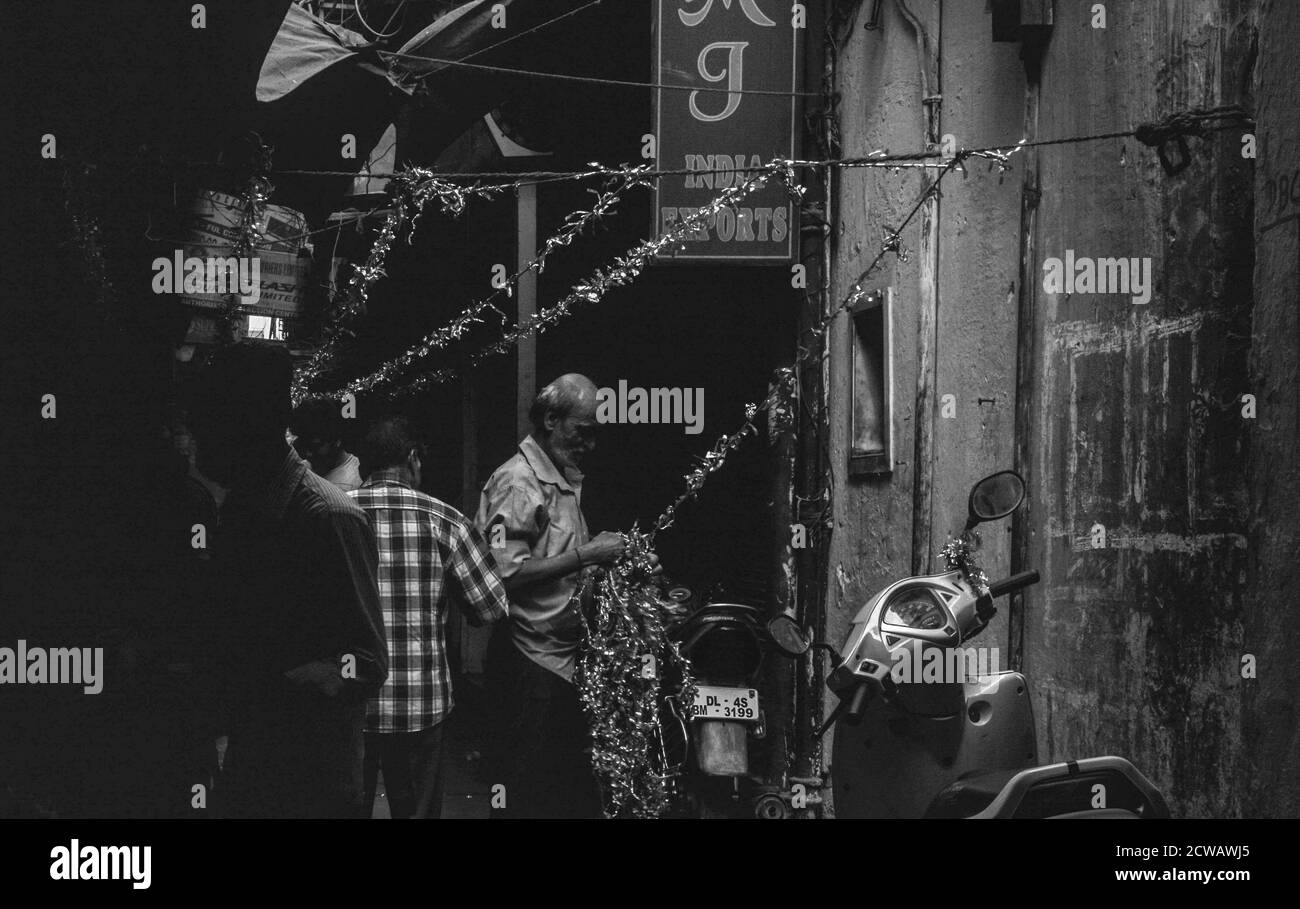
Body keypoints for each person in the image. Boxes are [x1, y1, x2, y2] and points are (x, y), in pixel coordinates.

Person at [187, 344, 388, 818]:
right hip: (252, 760)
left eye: (209, 423)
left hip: (310, 781)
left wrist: (289, 682)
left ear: (253, 421)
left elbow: (368, 661)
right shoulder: (242, 510)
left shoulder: (329, 517)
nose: (198, 440)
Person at [475, 374, 642, 818]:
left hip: (559, 663)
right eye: (582, 432)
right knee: (521, 792)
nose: (589, 445)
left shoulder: (559, 481)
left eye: (594, 435)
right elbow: (502, 575)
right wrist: (588, 553)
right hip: (528, 662)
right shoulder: (517, 482)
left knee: (554, 793)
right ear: (551, 419)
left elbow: (563, 566)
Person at [348, 416, 509, 819]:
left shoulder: (333, 514)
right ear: (413, 459)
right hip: (418, 706)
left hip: (349, 704)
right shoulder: (446, 520)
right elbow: (489, 607)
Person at [290, 398, 363, 492]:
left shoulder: (356, 480)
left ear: (337, 440)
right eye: (303, 444)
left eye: (315, 446)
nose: (308, 453)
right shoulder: (301, 470)